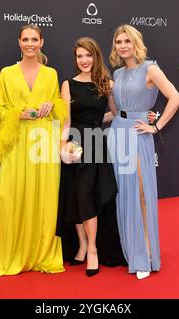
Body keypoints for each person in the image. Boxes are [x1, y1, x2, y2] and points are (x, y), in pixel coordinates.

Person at [0, 24, 67, 278]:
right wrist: (18, 113)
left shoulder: (51, 73)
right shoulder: (7, 73)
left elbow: (59, 109)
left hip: (43, 141)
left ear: (42, 42)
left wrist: (50, 104)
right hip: (17, 141)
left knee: (43, 196)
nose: (30, 44)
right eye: (25, 39)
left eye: (34, 39)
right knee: (11, 195)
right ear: (19, 43)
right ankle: (9, 250)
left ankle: (40, 252)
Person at [107, 25, 179, 279]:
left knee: (140, 193)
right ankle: (131, 251)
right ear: (114, 46)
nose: (123, 45)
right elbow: (116, 111)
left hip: (138, 134)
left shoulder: (150, 68)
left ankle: (147, 255)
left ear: (136, 42)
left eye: (127, 40)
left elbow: (175, 98)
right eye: (118, 42)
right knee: (123, 194)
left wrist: (155, 126)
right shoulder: (116, 74)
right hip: (118, 132)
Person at [57, 37, 125, 277]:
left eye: (88, 55)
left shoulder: (106, 84)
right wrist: (63, 146)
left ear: (96, 57)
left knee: (87, 195)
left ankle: (93, 249)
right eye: (79, 56)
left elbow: (114, 114)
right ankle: (82, 244)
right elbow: (65, 120)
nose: (84, 60)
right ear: (75, 59)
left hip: (96, 144)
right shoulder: (68, 84)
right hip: (75, 144)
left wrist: (140, 115)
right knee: (75, 196)